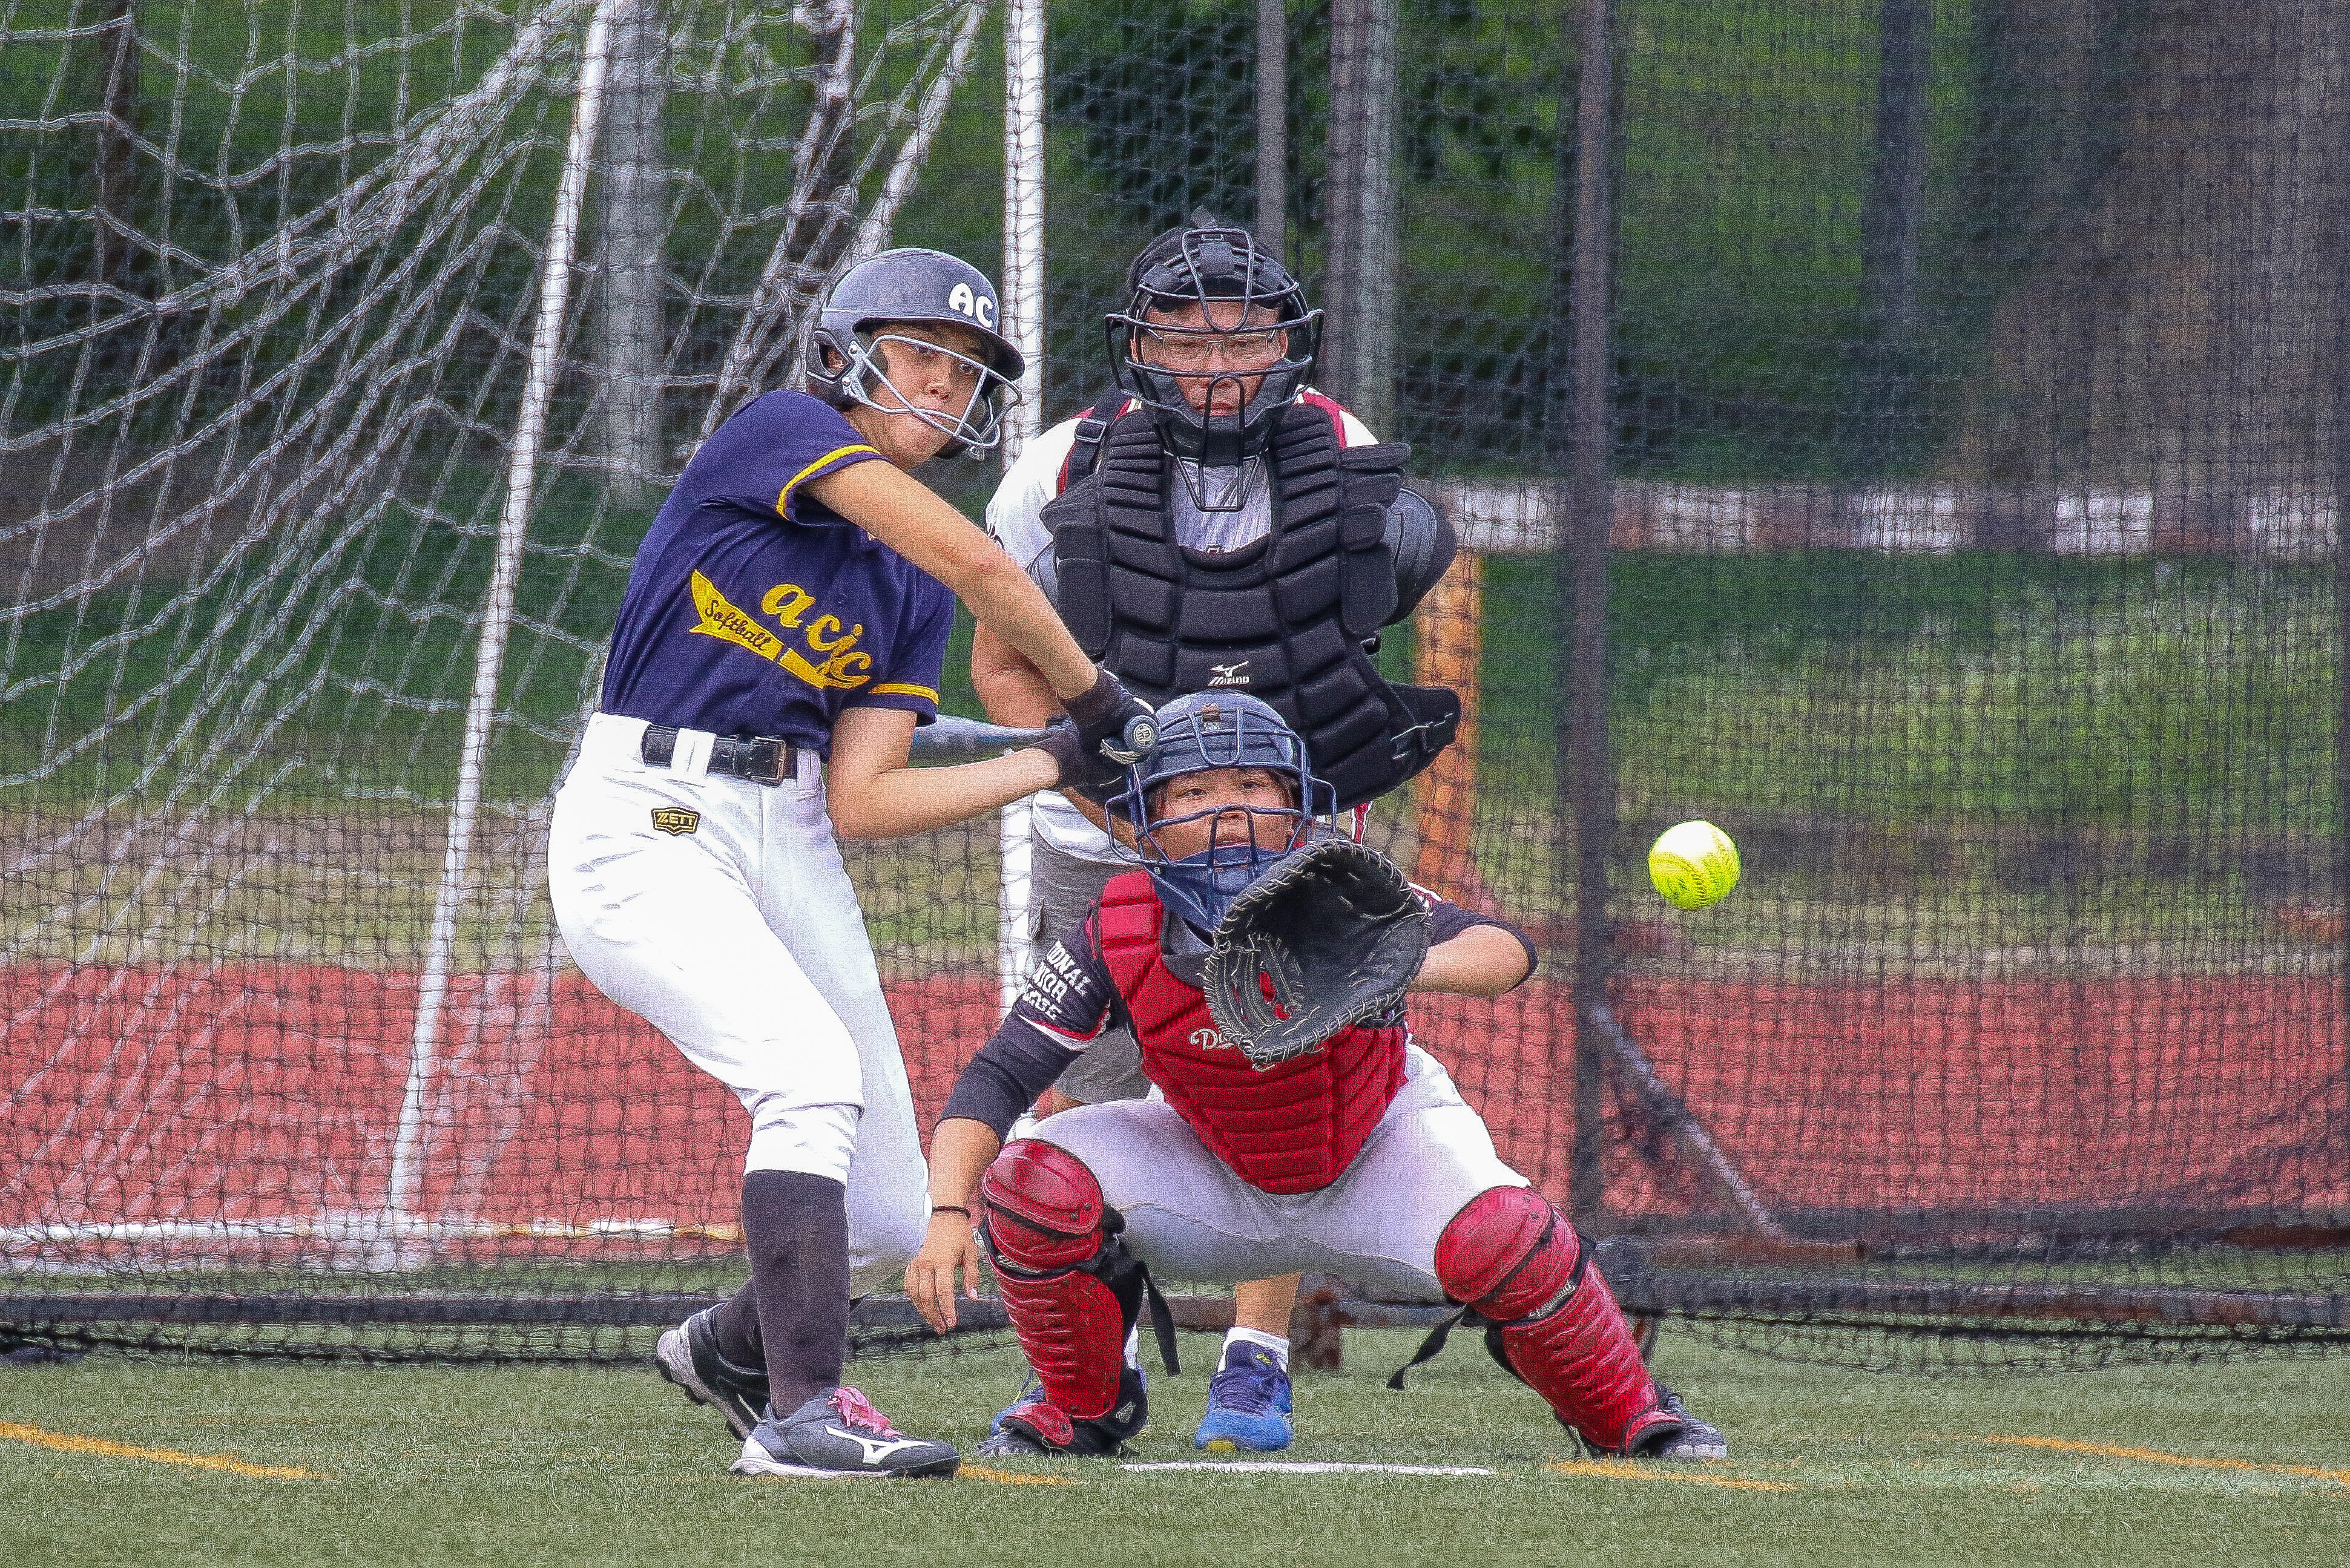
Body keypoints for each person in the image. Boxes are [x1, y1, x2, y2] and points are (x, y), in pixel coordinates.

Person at [547, 248, 1150, 1481]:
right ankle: (802, 1414)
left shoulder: (903, 592)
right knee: (807, 1075)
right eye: (923, 350)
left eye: (969, 367)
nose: (944, 381)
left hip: (792, 828)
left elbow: (866, 795)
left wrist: (1049, 759)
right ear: (843, 353)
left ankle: (732, 1351)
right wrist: (1101, 700)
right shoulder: (780, 431)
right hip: (647, 812)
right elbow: (987, 565)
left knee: (881, 1213)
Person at [904, 695, 1728, 1464]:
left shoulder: (1344, 884)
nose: (1228, 810)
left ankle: (1629, 1414)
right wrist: (947, 1211)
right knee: (1029, 1181)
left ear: (1297, 802)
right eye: (1193, 790)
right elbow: (1000, 1074)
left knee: (1510, 1237)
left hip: (1377, 1153)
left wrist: (1397, 963)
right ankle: (1078, 1407)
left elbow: (1506, 950)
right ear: (1147, 818)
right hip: (1209, 1169)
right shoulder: (1118, 921)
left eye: (1252, 783)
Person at [969, 217, 1460, 1451]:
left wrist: (1286, 811)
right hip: (1104, 827)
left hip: (1292, 829)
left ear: (1284, 343)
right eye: (1185, 336)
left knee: (1286, 1069)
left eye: (1241, 334)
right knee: (1083, 1086)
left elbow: (1374, 633)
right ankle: (1097, 1362)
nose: (1215, 360)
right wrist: (1118, 808)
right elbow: (995, 659)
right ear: (1138, 346)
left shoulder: (1339, 449)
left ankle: (1255, 1359)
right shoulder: (1061, 468)